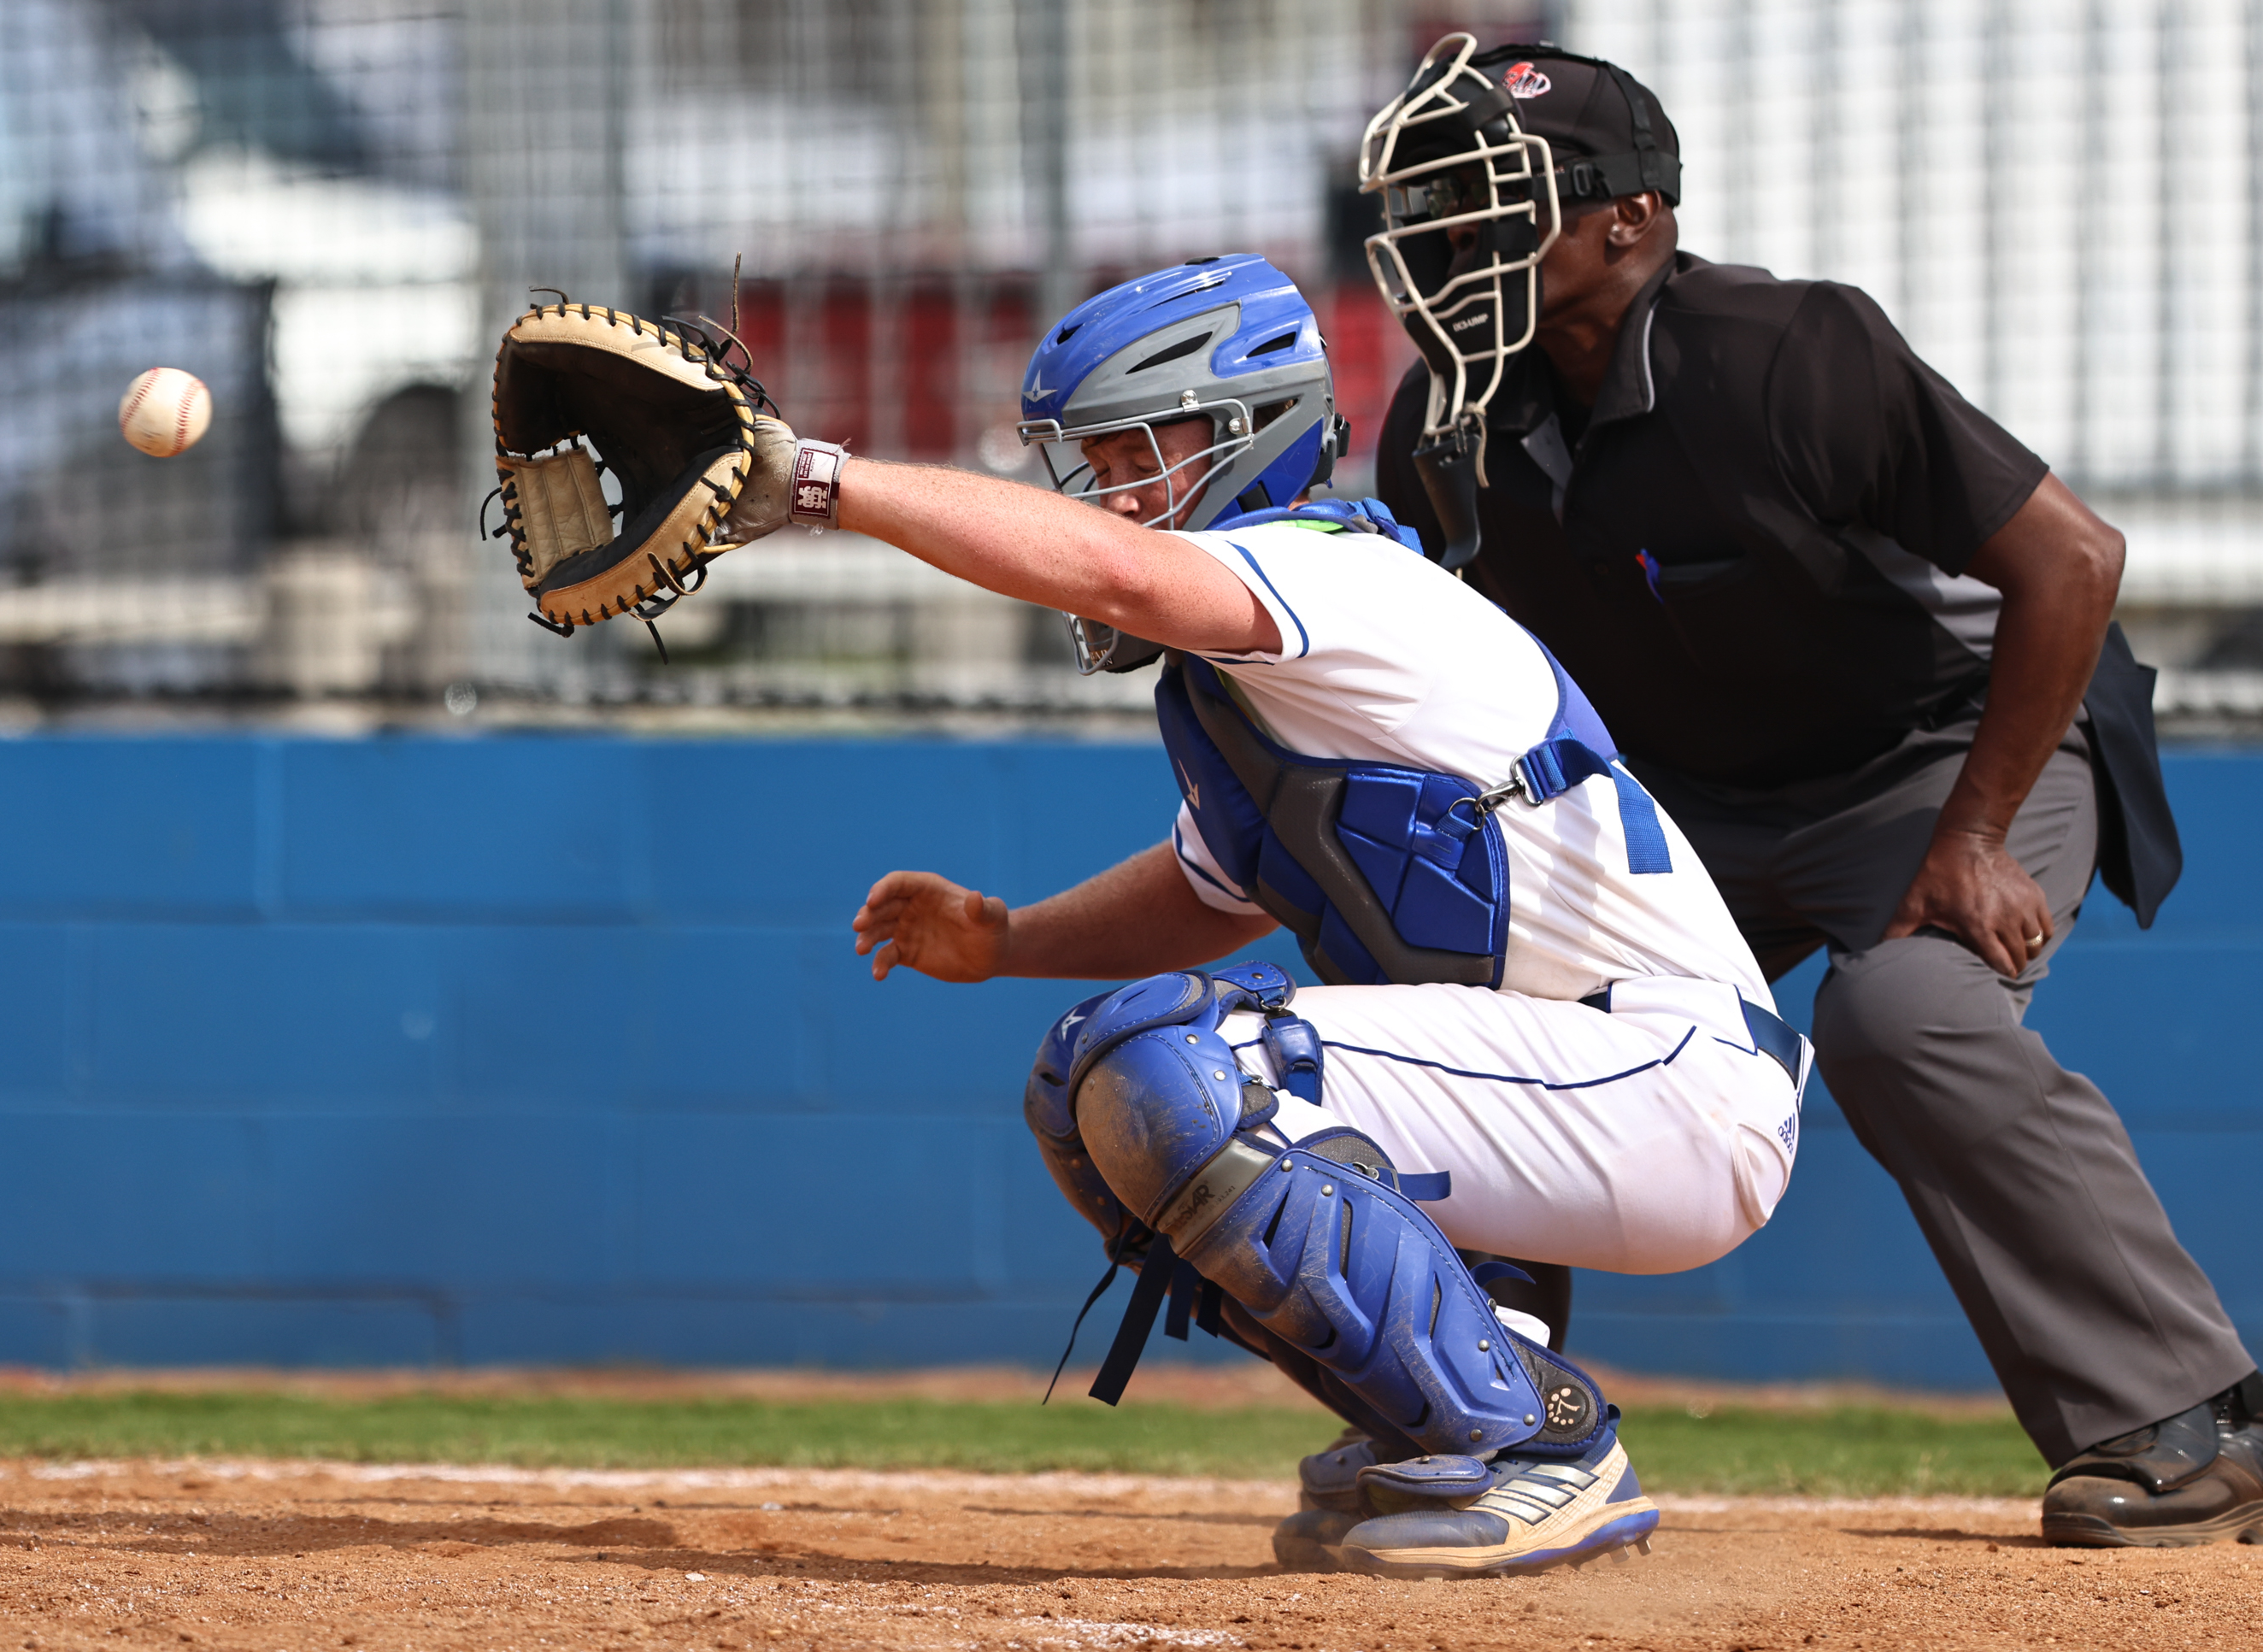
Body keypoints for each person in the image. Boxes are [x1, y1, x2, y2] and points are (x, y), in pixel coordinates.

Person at [720, 253, 1811, 1578]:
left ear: (1250, 436)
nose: (1113, 490)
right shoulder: (1253, 692)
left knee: (1175, 1070)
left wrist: (824, 483)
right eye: (1095, 462)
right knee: (1087, 1081)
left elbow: (1117, 575)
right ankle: (1449, 1409)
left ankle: (1543, 1446)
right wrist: (1009, 941)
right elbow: (1201, 891)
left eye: (1138, 450)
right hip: (1574, 1082)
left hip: (1666, 1078)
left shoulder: (1334, 574)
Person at [1361, 35, 2263, 1549]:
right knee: (1466, 1006)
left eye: (1496, 205)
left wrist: (1973, 833)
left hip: (1948, 754)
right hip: (1693, 805)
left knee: (1901, 1015)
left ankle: (2189, 1421)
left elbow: (2074, 563)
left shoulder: (1786, 352)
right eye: (1435, 212)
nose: (1453, 247)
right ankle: (1474, 1415)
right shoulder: (1442, 428)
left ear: (1629, 223)